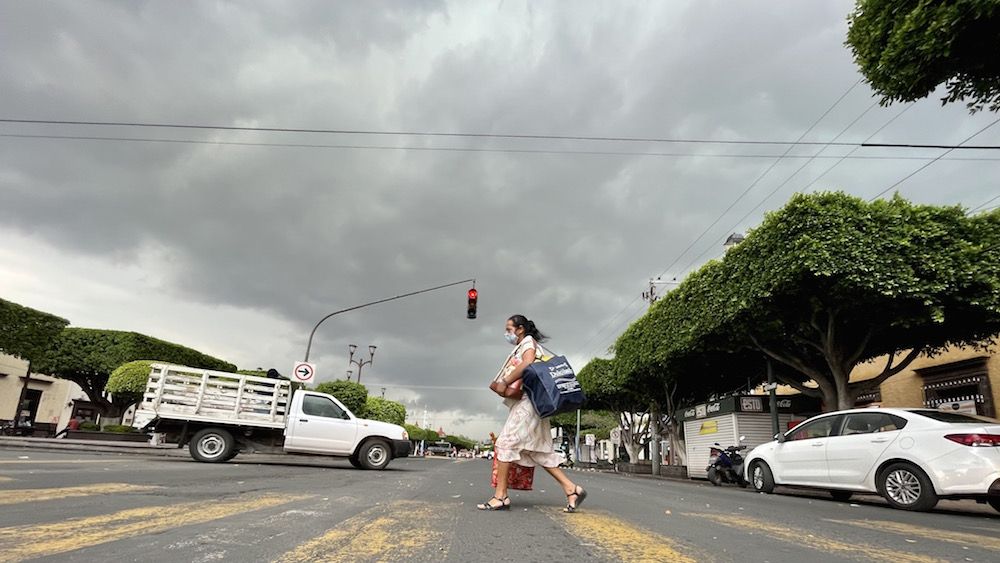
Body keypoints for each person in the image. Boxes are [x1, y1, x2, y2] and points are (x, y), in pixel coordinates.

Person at [477, 315, 587, 512]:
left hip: (528, 404)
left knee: (504, 444)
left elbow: (528, 363)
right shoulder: (524, 344)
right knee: (537, 452)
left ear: (520, 329)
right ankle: (572, 489)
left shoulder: (528, 342)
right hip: (534, 404)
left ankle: (500, 496)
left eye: (509, 329)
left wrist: (506, 380)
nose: (507, 333)